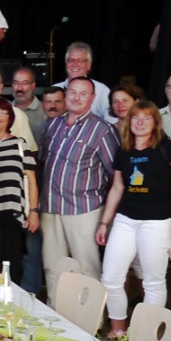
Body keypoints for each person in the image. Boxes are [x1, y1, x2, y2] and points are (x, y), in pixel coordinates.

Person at [96, 100, 171, 339]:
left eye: (146, 118)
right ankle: (118, 329)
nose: (140, 123)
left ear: (155, 122)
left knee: (153, 281)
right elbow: (117, 188)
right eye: (136, 118)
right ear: (129, 122)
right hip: (125, 220)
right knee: (110, 278)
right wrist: (104, 223)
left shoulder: (166, 148)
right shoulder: (124, 150)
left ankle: (146, 334)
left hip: (157, 222)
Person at [39, 77, 119, 299]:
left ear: (93, 98)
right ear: (66, 94)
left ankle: (91, 318)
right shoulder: (53, 124)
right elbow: (43, 162)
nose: (76, 98)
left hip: (83, 208)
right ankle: (55, 313)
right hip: (50, 206)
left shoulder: (102, 130)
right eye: (72, 92)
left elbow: (116, 175)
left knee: (87, 268)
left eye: (83, 94)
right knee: (53, 266)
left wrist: (107, 217)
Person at [0, 97, 39, 283]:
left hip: (11, 214)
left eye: (2, 112)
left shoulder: (20, 144)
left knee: (10, 267)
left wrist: (33, 212)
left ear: (10, 118)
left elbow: (31, 180)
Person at [53, 42, 114, 122]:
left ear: (89, 65)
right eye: (71, 60)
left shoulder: (101, 90)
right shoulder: (55, 88)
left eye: (80, 61)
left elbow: (111, 122)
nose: (75, 64)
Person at [12, 67, 47, 146]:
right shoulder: (4, 109)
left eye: (25, 83)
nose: (19, 88)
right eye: (16, 83)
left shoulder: (45, 111)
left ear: (33, 86)